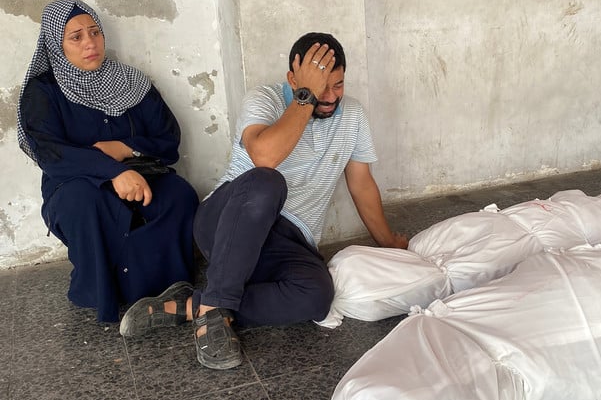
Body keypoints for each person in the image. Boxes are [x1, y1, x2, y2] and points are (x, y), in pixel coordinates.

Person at [120, 32, 408, 370]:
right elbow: (264, 156)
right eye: (320, 86)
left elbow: (361, 184)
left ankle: (194, 304)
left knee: (317, 296)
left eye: (338, 85)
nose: (329, 97)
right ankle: (214, 312)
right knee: (267, 181)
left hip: (288, 239)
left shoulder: (354, 116)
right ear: (293, 79)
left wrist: (388, 242)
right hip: (230, 217)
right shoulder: (265, 99)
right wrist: (306, 97)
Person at [16, 0, 199, 323]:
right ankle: (110, 291)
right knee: (86, 201)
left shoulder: (130, 82)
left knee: (179, 194)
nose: (90, 43)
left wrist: (125, 148)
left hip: (142, 174)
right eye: (76, 37)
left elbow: (168, 140)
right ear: (56, 45)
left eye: (95, 33)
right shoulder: (43, 92)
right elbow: (49, 153)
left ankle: (170, 289)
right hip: (75, 185)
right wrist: (112, 171)